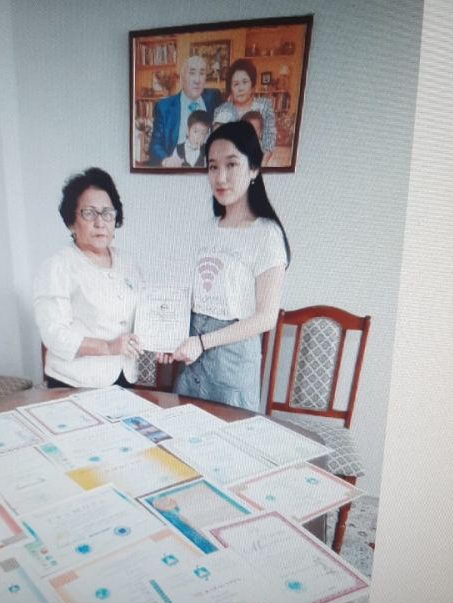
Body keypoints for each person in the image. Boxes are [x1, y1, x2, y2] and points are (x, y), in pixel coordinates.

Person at [157, 120, 290, 412]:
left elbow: (266, 318)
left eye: (231, 164)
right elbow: (194, 298)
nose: (221, 177)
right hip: (194, 355)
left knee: (228, 436)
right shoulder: (206, 229)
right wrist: (167, 338)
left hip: (232, 361)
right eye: (213, 167)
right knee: (185, 430)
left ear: (253, 169)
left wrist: (203, 342)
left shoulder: (266, 234)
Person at [34, 167, 143, 389]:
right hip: (74, 382)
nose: (100, 222)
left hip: (124, 376)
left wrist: (163, 341)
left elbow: (143, 314)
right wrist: (107, 347)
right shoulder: (58, 266)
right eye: (89, 213)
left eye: (107, 213)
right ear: (71, 221)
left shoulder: (127, 263)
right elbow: (54, 334)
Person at [150, 56, 222, 165]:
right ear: (182, 79)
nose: (197, 80)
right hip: (177, 167)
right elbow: (155, 145)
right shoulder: (164, 107)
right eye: (192, 73)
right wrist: (167, 161)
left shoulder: (214, 97)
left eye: (202, 73)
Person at [221, 57, 277, 154]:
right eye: (236, 84)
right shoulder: (223, 111)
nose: (240, 88)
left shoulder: (264, 106)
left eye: (245, 82)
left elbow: (269, 144)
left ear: (252, 85)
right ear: (230, 88)